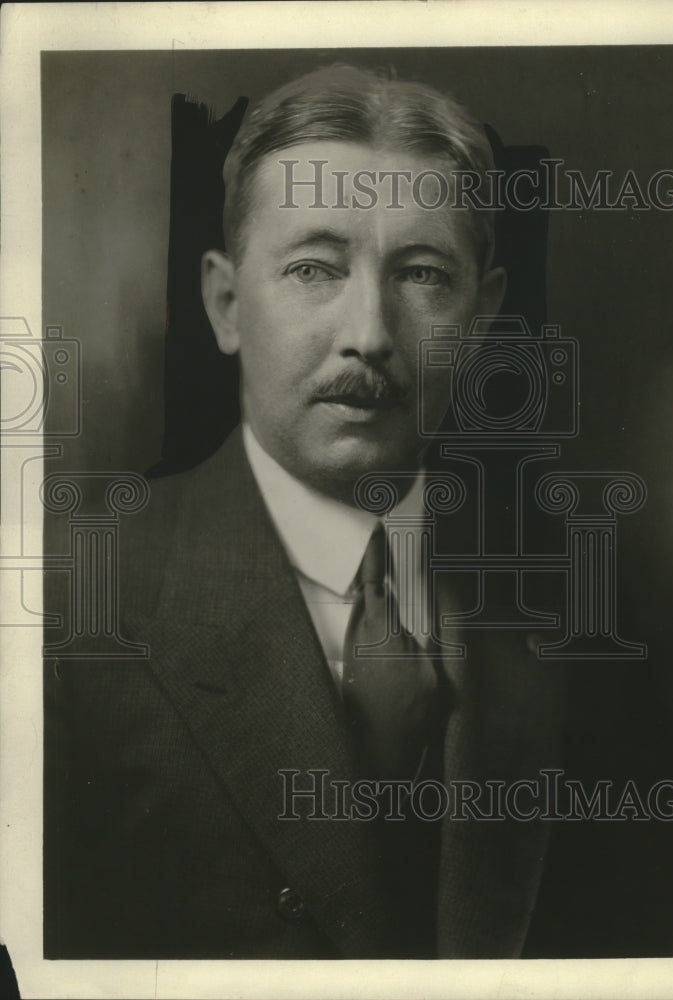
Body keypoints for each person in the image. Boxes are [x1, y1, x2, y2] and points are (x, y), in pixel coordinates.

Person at [43, 63, 566, 960]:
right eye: (314, 267)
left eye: (423, 274)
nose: (368, 331)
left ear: (482, 323)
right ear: (226, 302)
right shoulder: (64, 606)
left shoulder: (578, 616)